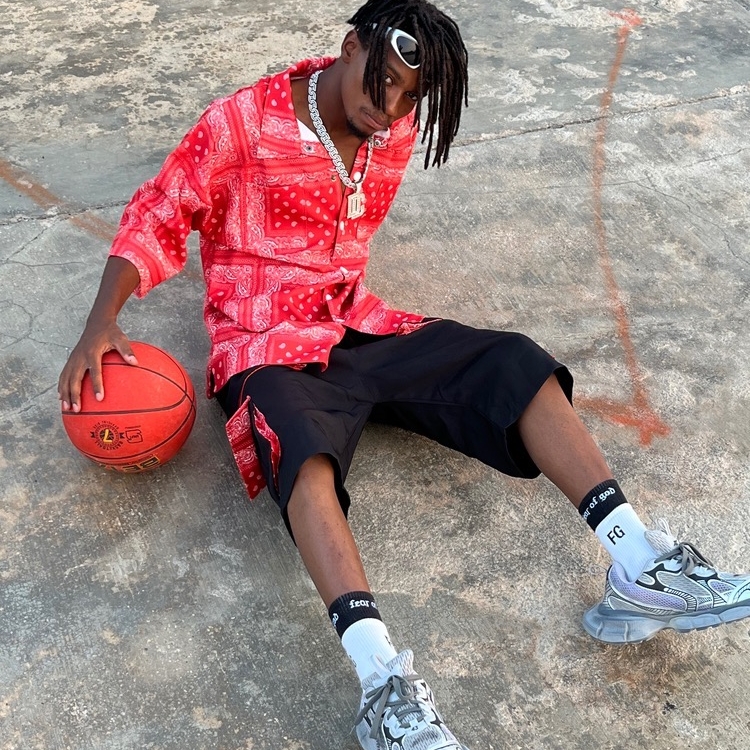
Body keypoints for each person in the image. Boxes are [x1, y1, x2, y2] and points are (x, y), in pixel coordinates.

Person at [58, 1, 750, 748]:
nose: (388, 107)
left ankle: (639, 564)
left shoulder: (395, 127)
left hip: (358, 322)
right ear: (350, 46)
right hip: (264, 344)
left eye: (408, 95)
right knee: (303, 451)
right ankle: (384, 687)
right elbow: (159, 210)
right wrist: (102, 322)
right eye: (382, 80)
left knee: (515, 363)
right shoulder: (243, 123)